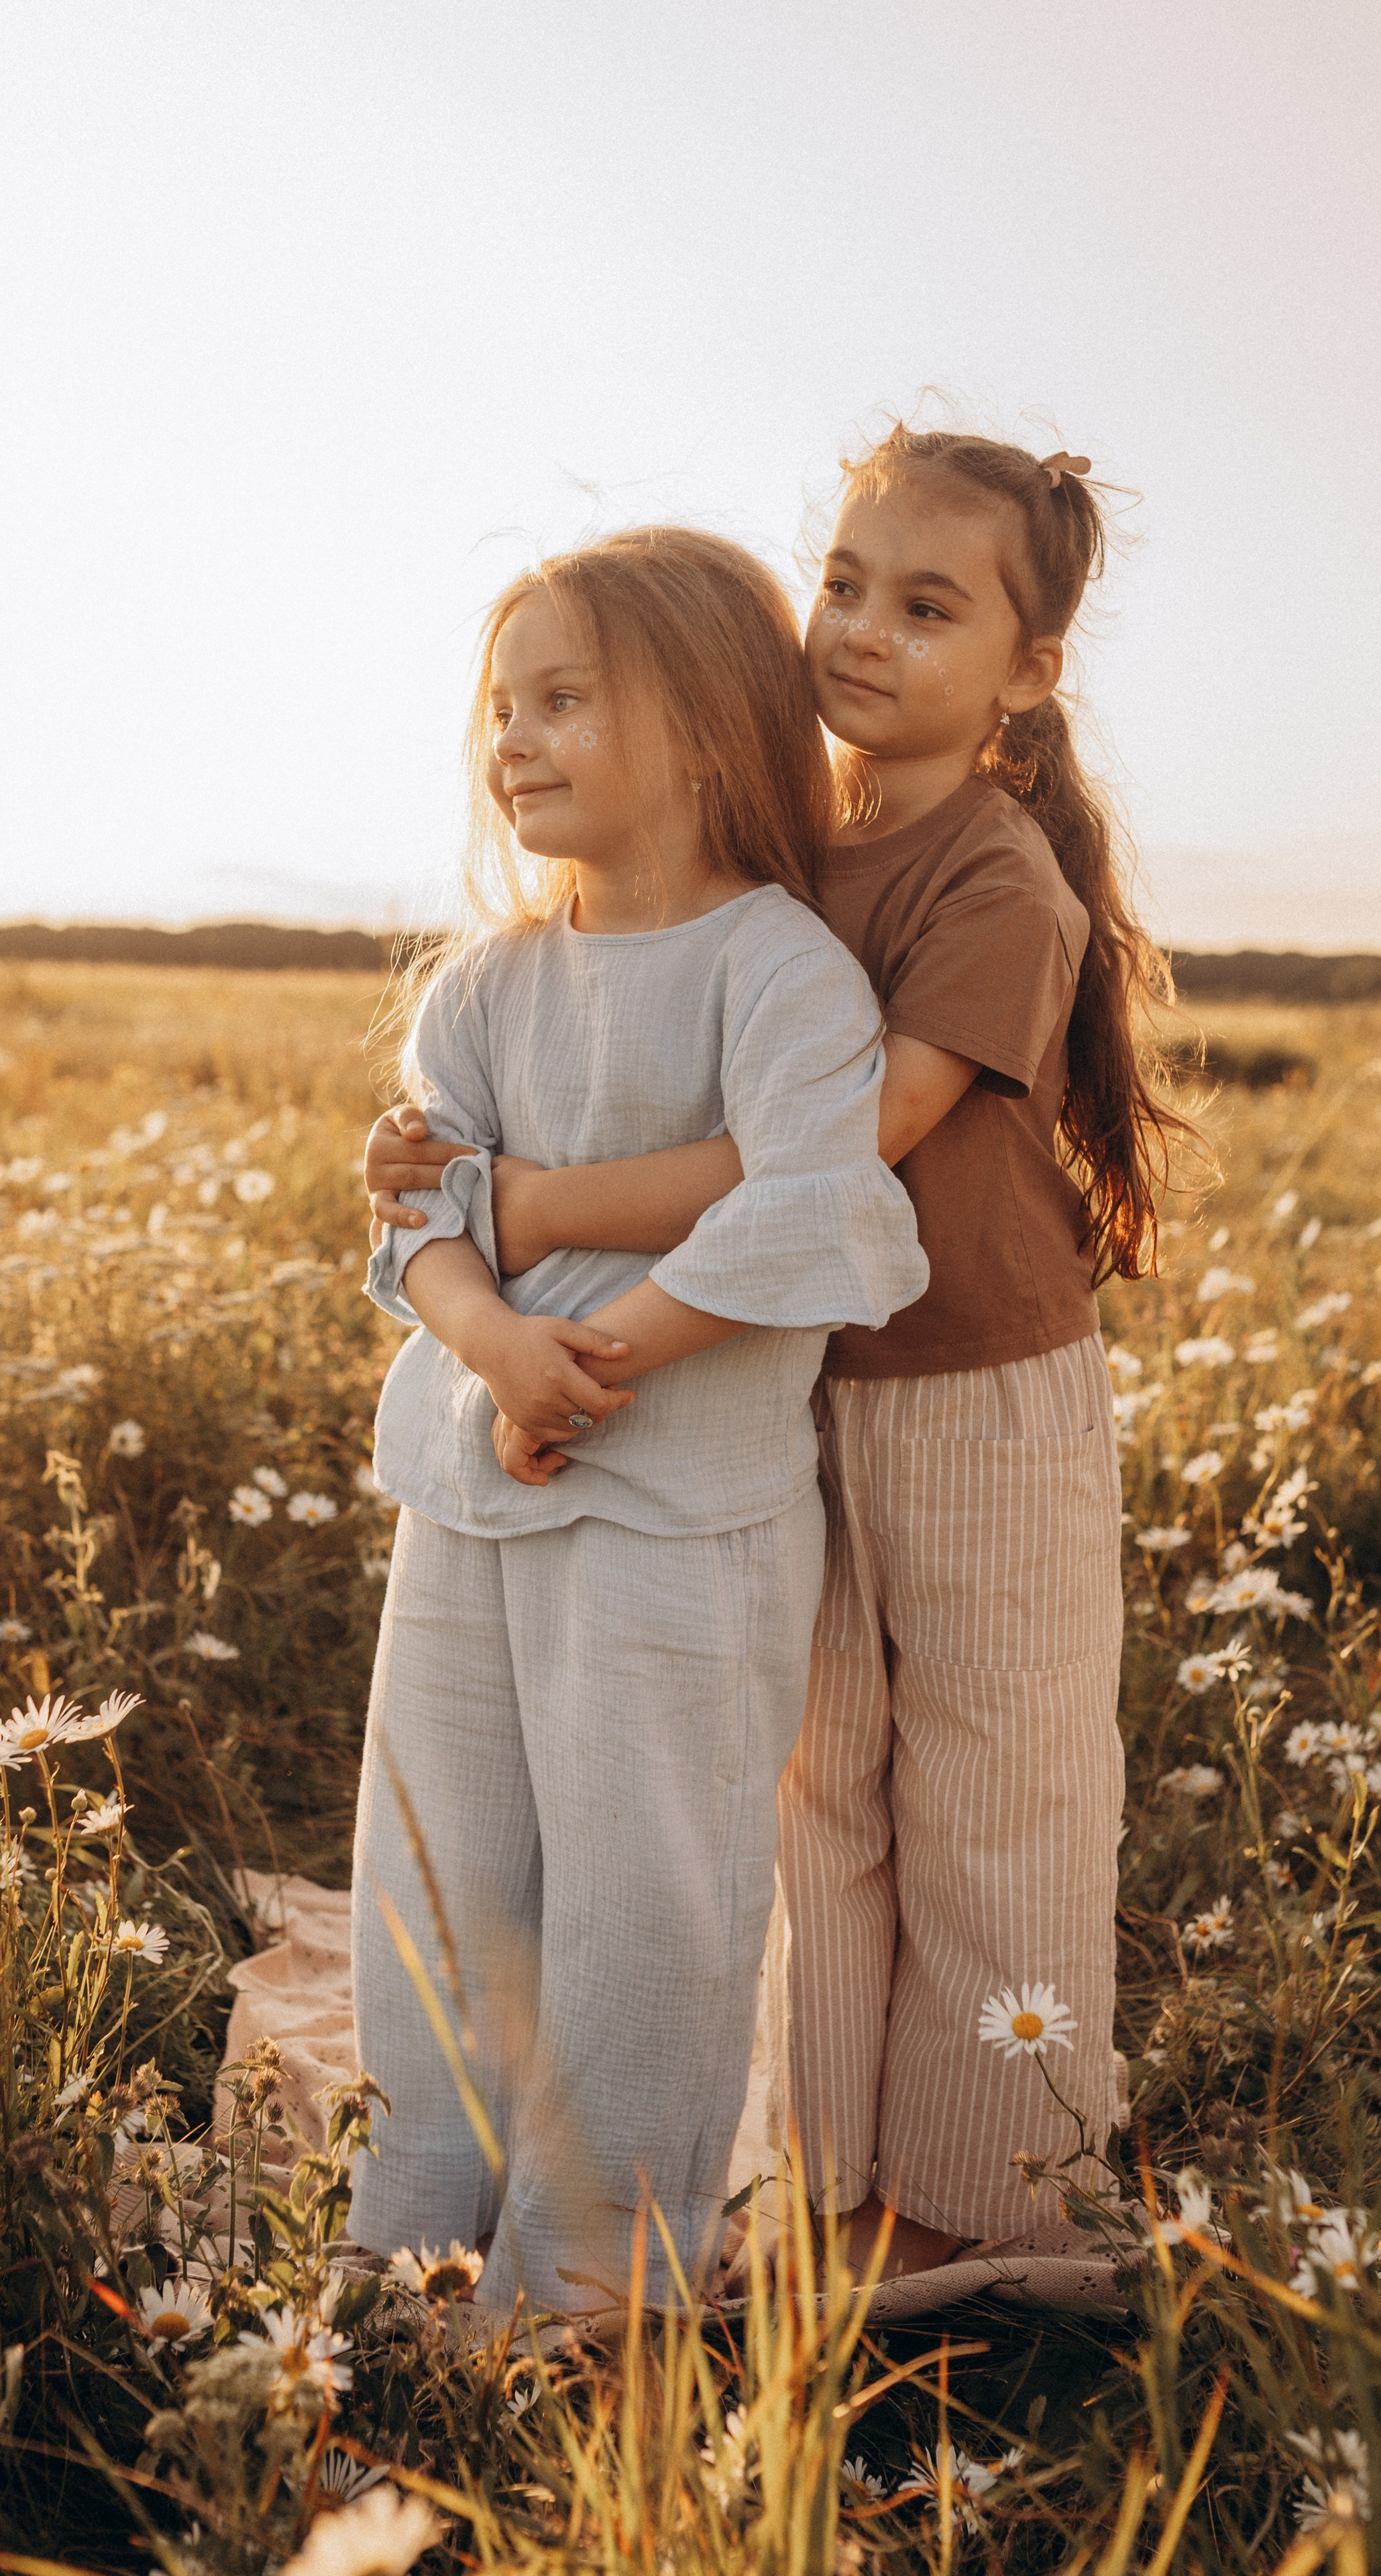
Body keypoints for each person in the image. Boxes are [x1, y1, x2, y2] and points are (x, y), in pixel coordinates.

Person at [368, 431, 1189, 2278]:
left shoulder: (991, 877)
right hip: (791, 1380)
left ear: (1028, 670)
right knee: (817, 1790)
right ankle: (821, 2175)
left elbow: (837, 1150)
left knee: (993, 1785)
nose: (866, 632)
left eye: (930, 606)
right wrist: (463, 1214)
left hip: (973, 1383)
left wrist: (528, 1209)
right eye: (843, 584)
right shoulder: (789, 848)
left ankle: (981, 2191)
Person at [349, 526, 928, 2316]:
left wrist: (597, 1361)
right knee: (436, 1873)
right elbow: (421, 1220)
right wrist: (496, 1355)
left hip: (681, 1505)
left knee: (645, 1899)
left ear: (699, 730)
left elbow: (810, 1203)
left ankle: (590, 2287)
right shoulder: (483, 986)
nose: (514, 739)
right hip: (475, 1484)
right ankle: (417, 2251)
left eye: (564, 700)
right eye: (502, 707)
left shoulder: (778, 969)